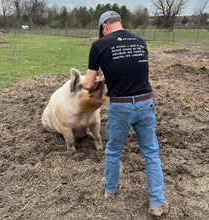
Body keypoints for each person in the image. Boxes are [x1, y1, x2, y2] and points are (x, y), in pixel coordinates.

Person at [83, 11, 168, 217]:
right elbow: (131, 71)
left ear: (104, 27)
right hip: (145, 102)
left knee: (113, 151)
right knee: (151, 153)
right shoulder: (140, 42)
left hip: (120, 106)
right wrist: (108, 79)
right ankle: (157, 203)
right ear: (119, 23)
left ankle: (110, 192)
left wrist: (99, 81)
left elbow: (87, 85)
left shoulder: (99, 45)